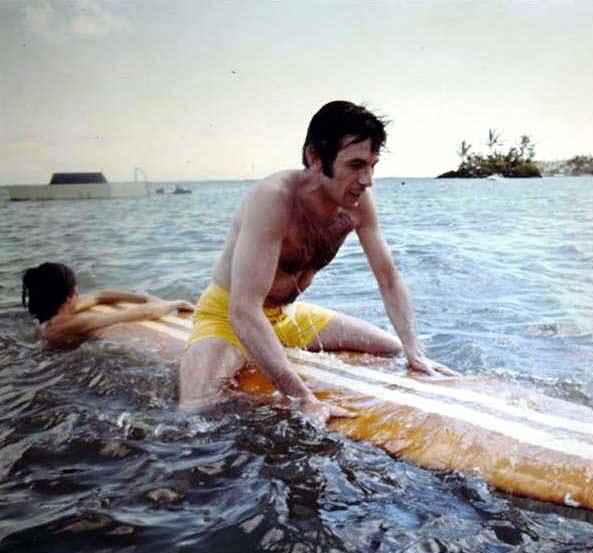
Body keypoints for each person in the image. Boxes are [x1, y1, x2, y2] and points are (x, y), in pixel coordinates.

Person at [179, 100, 454, 424]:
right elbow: (243, 309)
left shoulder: (357, 203)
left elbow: (388, 279)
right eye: (355, 165)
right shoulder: (273, 199)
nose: (367, 181)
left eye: (372, 165)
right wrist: (303, 398)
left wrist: (414, 350)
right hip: (227, 317)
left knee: (392, 349)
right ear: (314, 157)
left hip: (285, 317)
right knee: (195, 410)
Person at [21, 262, 193, 349]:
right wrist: (177, 303)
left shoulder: (50, 313)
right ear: (68, 297)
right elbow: (139, 314)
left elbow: (99, 296)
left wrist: (143, 297)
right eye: (76, 290)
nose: (79, 294)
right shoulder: (71, 324)